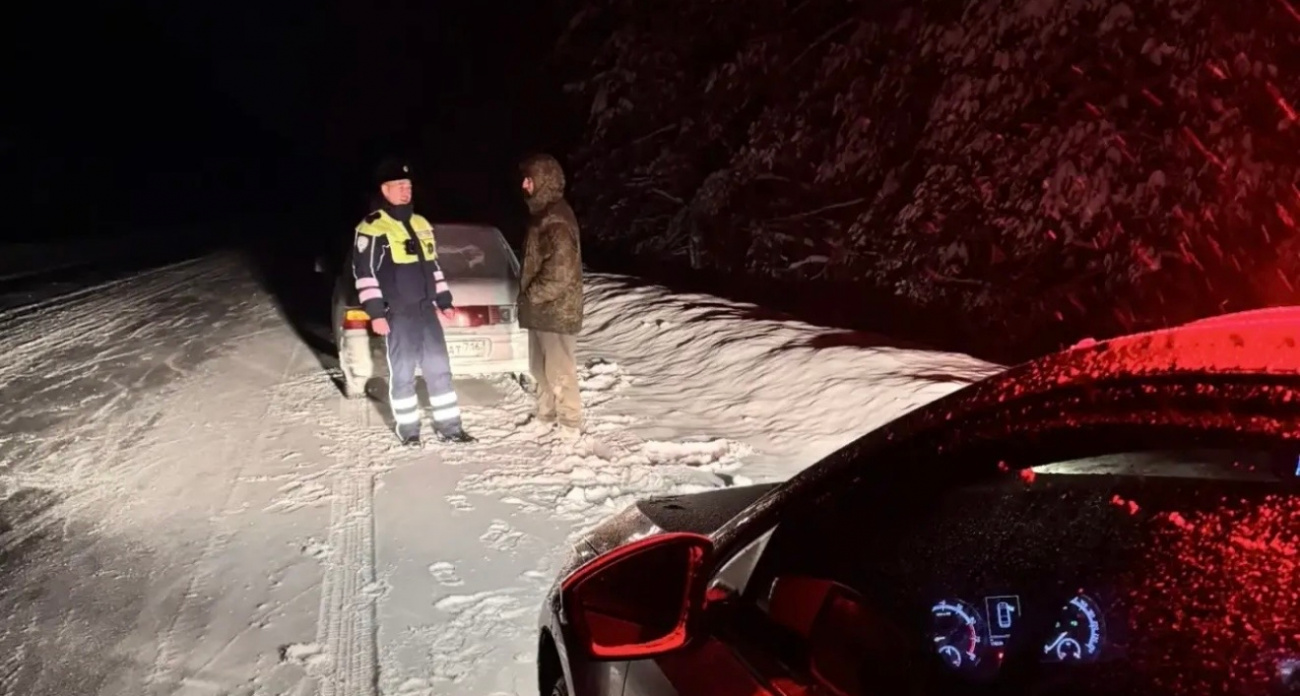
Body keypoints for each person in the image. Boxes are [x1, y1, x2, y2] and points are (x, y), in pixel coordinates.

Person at [351, 157, 475, 445]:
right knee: (404, 373)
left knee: (439, 369)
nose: (406, 190)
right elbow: (364, 274)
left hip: (425, 311)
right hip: (399, 314)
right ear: (384, 190)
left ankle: (451, 428)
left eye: (408, 185)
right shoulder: (372, 228)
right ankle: (409, 432)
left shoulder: (420, 223)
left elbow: (433, 267)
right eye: (399, 186)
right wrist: (376, 313)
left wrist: (444, 300)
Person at [517, 153, 584, 431]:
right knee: (539, 368)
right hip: (542, 311)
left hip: (555, 310)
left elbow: (561, 270)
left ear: (543, 182)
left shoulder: (556, 219)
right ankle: (546, 415)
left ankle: (570, 423)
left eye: (529, 179)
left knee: (559, 371)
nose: (524, 184)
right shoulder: (542, 215)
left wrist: (533, 294)